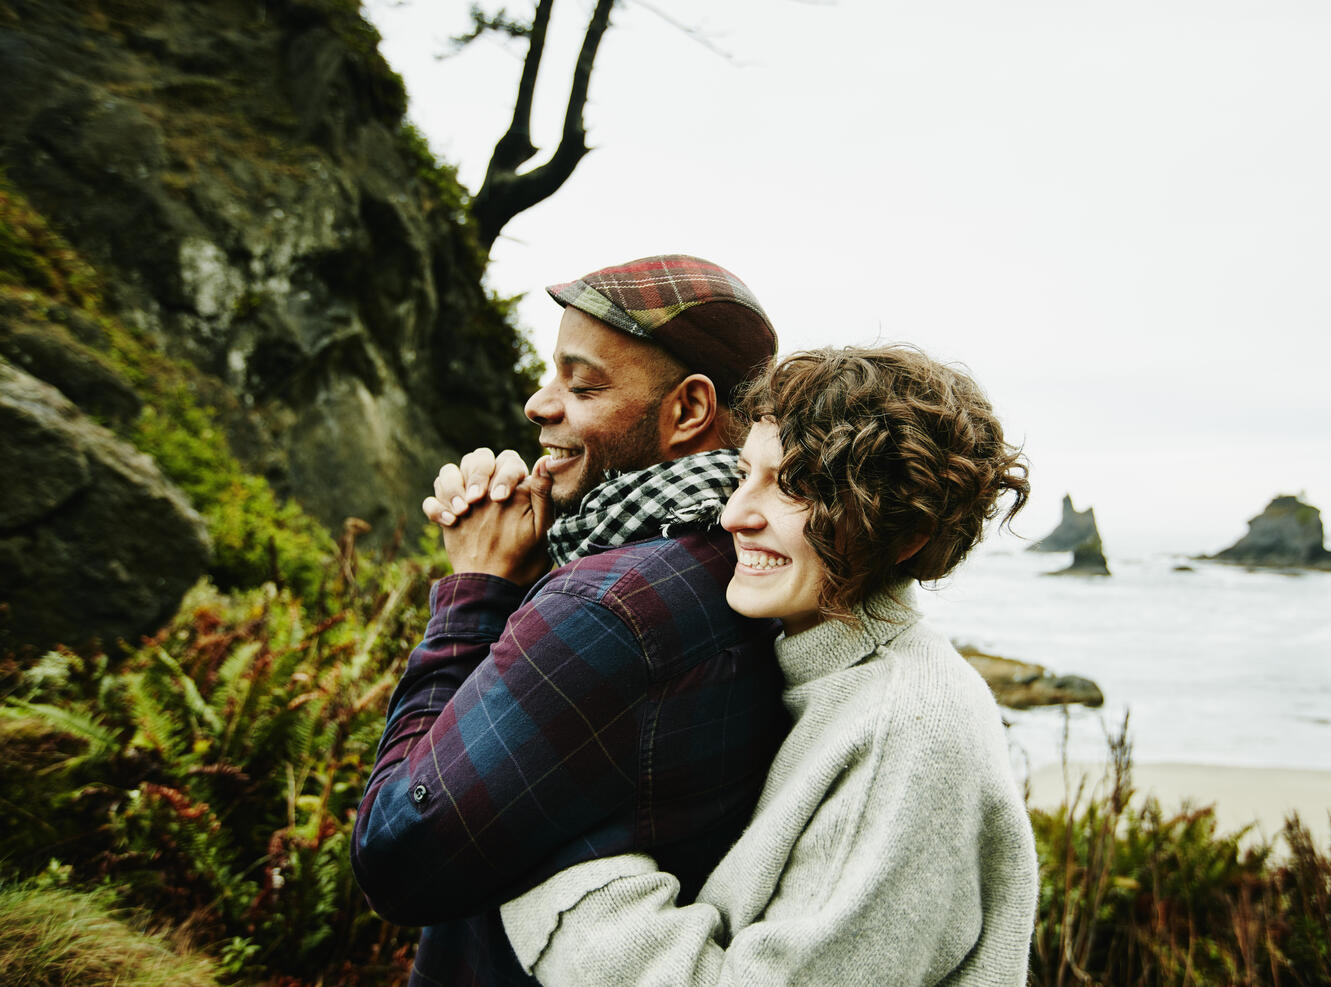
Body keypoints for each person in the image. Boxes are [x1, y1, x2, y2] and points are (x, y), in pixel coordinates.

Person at [497, 345, 1041, 985]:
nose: (733, 514)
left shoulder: (908, 730)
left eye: (790, 487)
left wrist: (548, 851)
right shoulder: (803, 664)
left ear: (903, 531)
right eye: (743, 474)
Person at [351, 255, 792, 986]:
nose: (538, 404)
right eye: (550, 372)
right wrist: (530, 573)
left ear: (688, 410)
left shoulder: (608, 605)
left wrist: (478, 587)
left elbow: (398, 855)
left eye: (581, 384)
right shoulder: (741, 559)